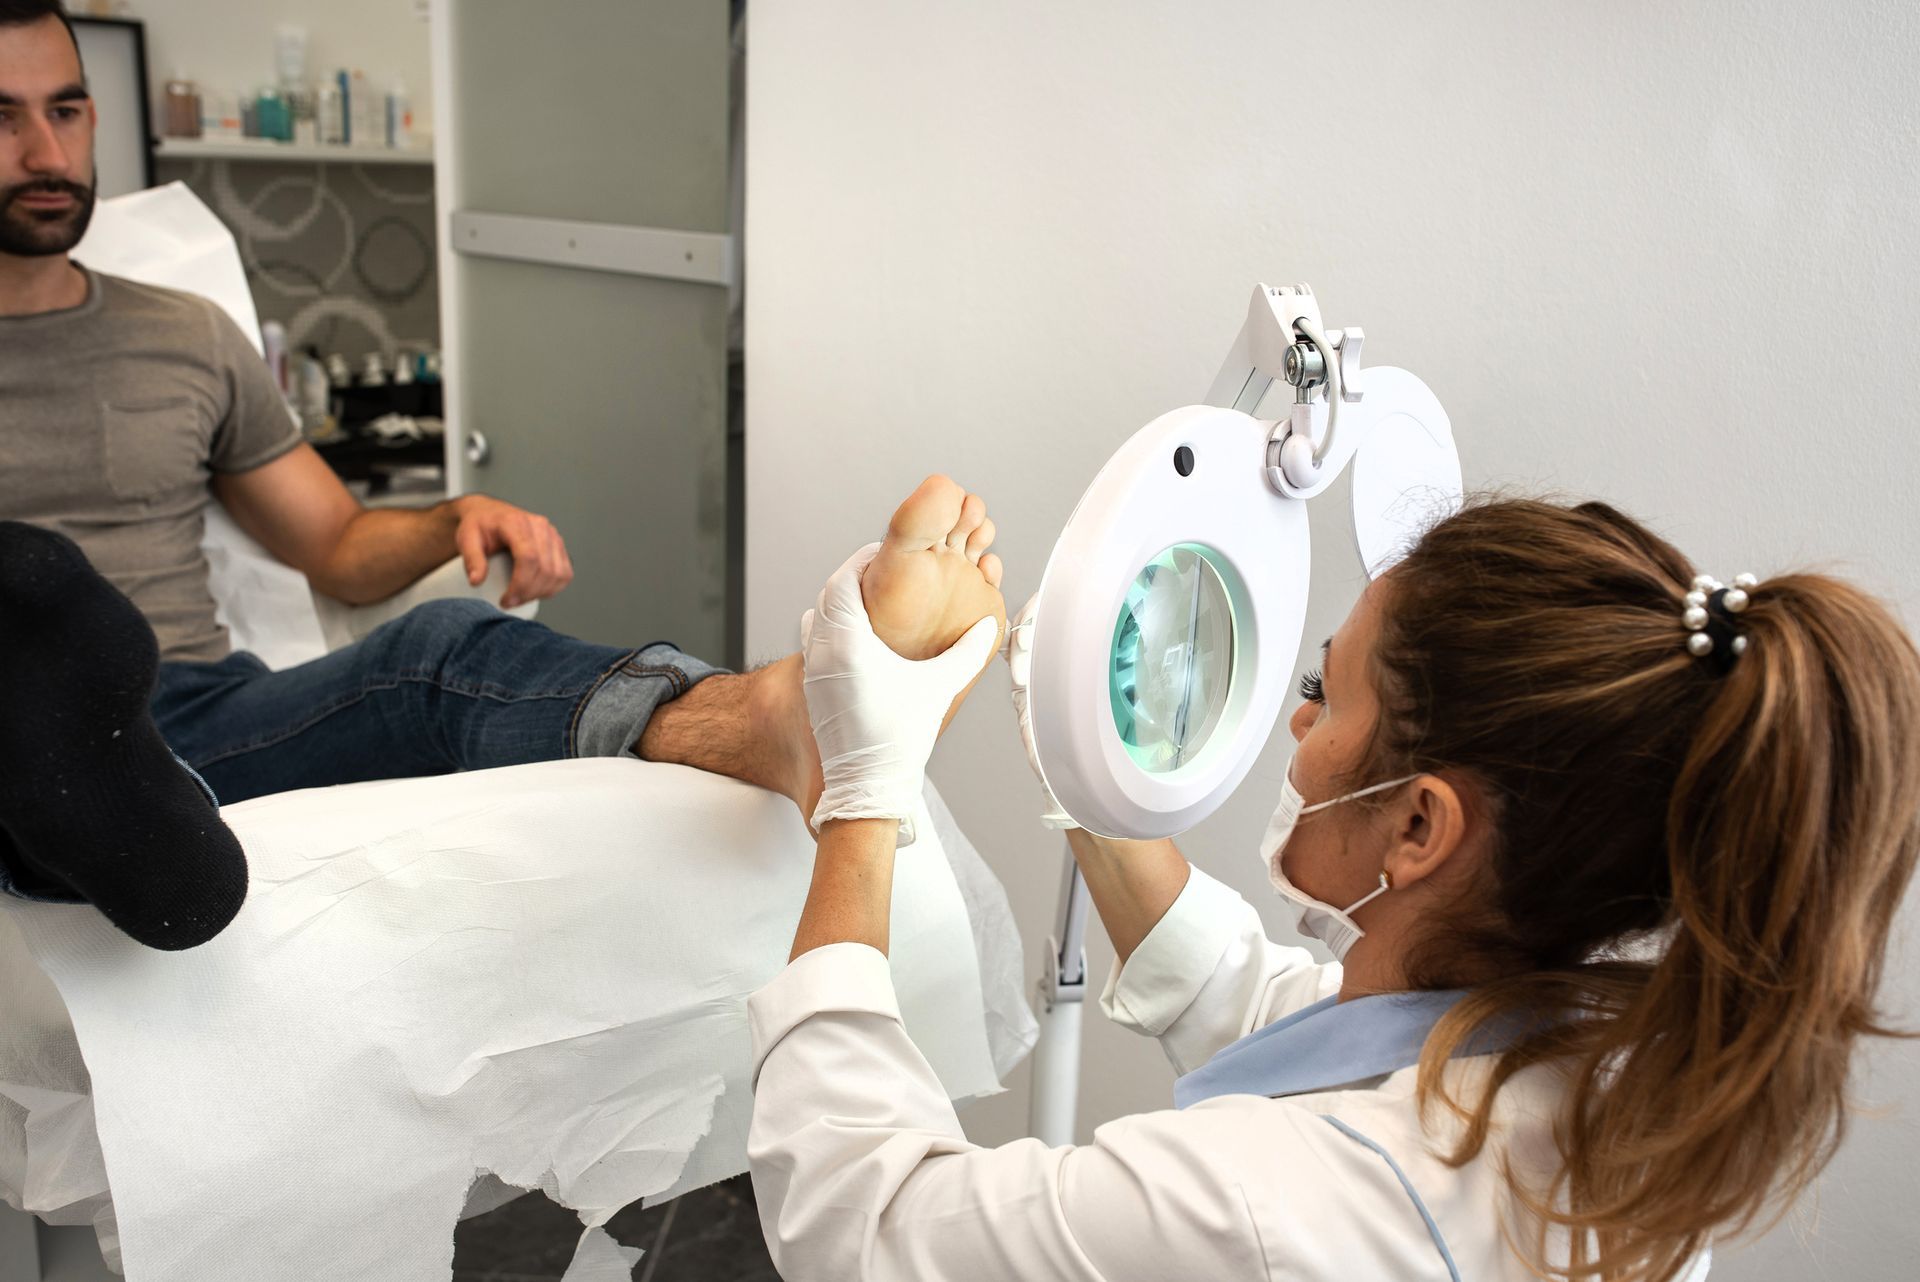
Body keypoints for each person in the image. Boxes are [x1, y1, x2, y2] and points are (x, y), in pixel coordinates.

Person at [0, 1, 1007, 949]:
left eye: (67, 110)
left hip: (195, 713)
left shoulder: (186, 336)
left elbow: (338, 547)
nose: (46, 153)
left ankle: (780, 720)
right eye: (3, 117)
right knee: (28, 603)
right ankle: (63, 802)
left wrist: (455, 518)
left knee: (437, 652)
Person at [747, 495, 1920, 1281]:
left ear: (1419, 823)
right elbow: (1290, 1019)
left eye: (1326, 688)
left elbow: (867, 1218)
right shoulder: (1605, 1083)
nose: (1296, 720)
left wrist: (863, 780)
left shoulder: (1282, 1207)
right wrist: (1084, 757)